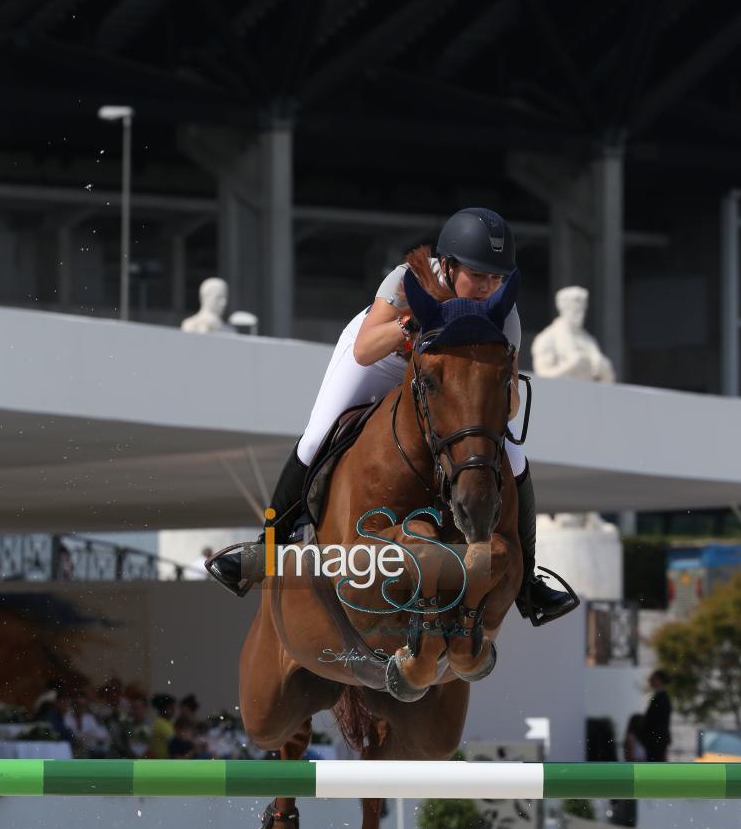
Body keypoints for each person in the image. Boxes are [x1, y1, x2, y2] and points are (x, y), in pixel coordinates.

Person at [207, 207, 576, 626]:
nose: (487, 288)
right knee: (316, 437)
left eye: (496, 278)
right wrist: (412, 322)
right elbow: (365, 350)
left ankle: (528, 581)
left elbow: (510, 401)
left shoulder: (502, 312)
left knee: (515, 457)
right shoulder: (408, 280)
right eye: (478, 276)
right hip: (384, 361)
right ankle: (267, 547)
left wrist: (495, 401)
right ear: (450, 266)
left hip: (450, 381)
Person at [643, 670, 672, 762]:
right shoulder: (660, 697)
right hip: (656, 739)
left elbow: (658, 721)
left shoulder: (661, 698)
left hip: (656, 740)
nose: (650, 681)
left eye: (653, 679)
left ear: (660, 681)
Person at [149, 693, 176, 758]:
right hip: (162, 761)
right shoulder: (159, 723)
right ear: (162, 709)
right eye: (170, 708)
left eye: (173, 708)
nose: (173, 711)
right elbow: (173, 740)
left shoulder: (171, 722)